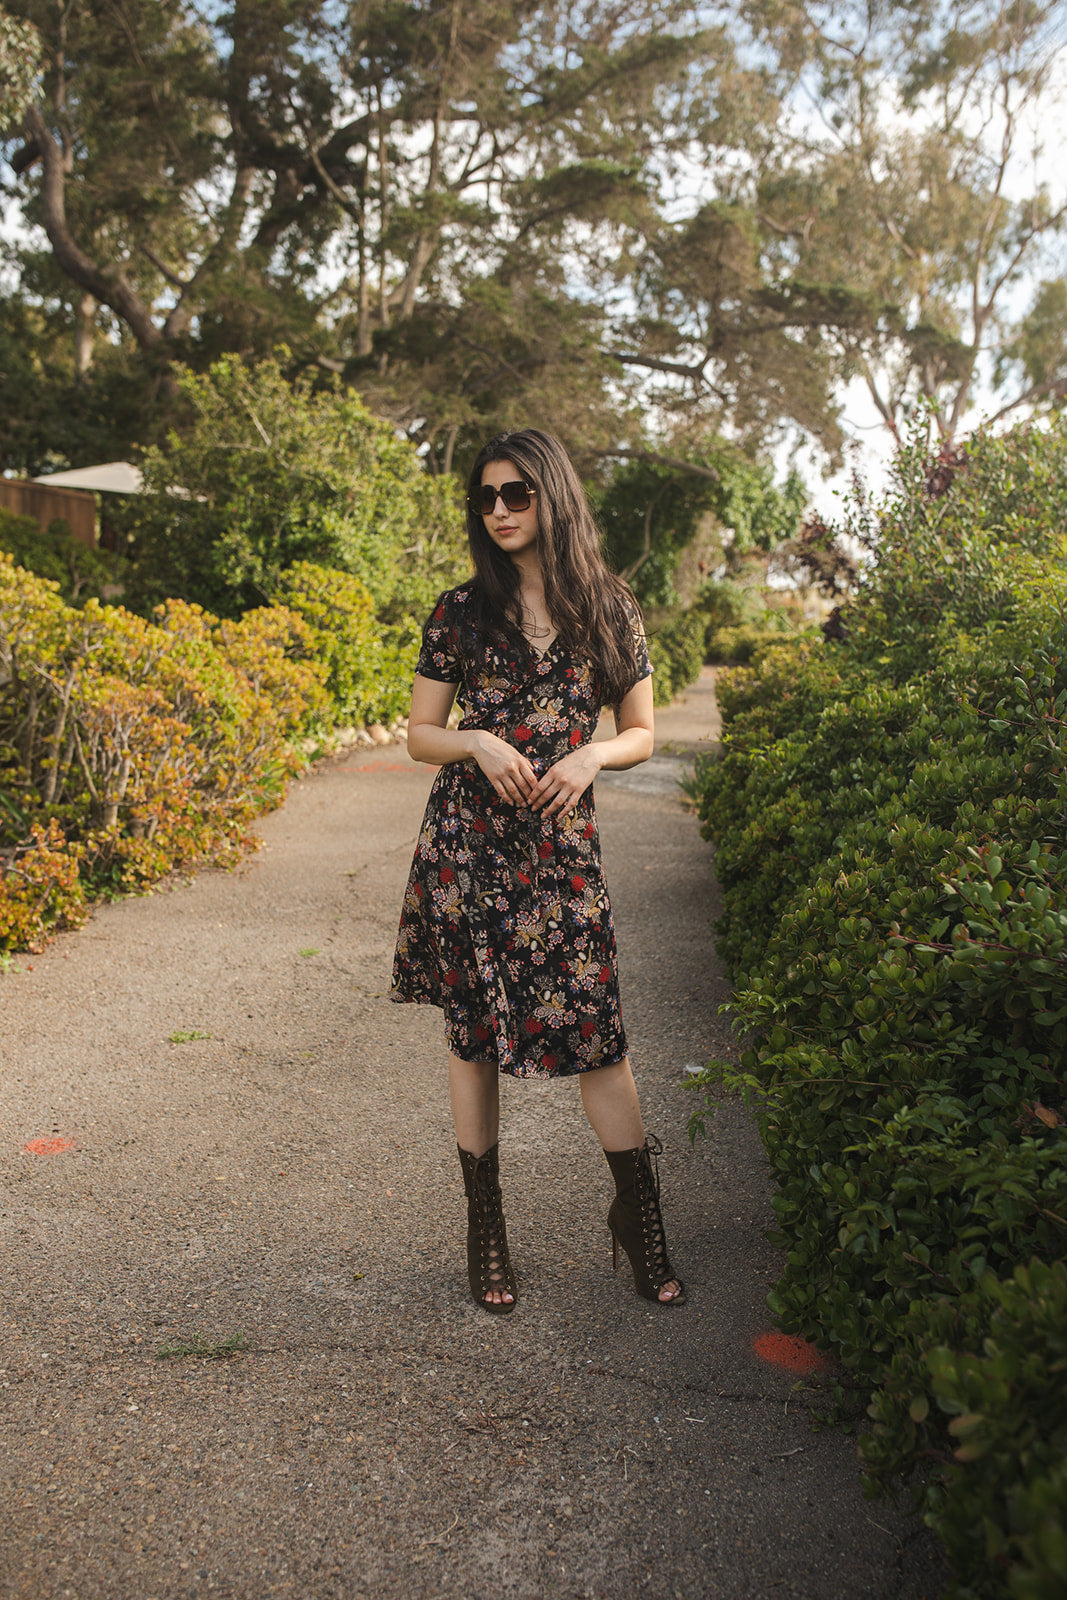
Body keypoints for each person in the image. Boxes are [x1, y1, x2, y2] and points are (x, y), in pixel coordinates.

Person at [390, 428, 685, 1314]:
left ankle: (641, 1219)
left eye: (516, 493)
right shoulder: (459, 609)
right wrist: (474, 741)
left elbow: (641, 730)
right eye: (485, 498)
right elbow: (418, 734)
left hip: (560, 854)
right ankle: (487, 1234)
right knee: (473, 1037)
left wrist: (594, 757)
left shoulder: (609, 608)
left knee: (597, 1035)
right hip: (468, 850)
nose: (500, 511)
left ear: (553, 494)